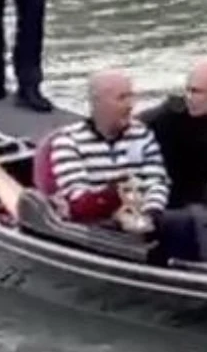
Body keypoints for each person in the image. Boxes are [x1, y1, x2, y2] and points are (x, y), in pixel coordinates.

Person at [137, 56, 207, 262]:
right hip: (175, 198)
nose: (190, 97)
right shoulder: (170, 113)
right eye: (188, 90)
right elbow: (132, 128)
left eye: (197, 92)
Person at [46, 69, 172, 234]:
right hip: (94, 229)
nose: (130, 105)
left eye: (130, 96)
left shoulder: (142, 134)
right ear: (98, 103)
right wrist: (115, 197)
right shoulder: (68, 141)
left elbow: (156, 182)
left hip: (143, 219)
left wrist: (149, 214)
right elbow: (77, 199)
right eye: (122, 98)